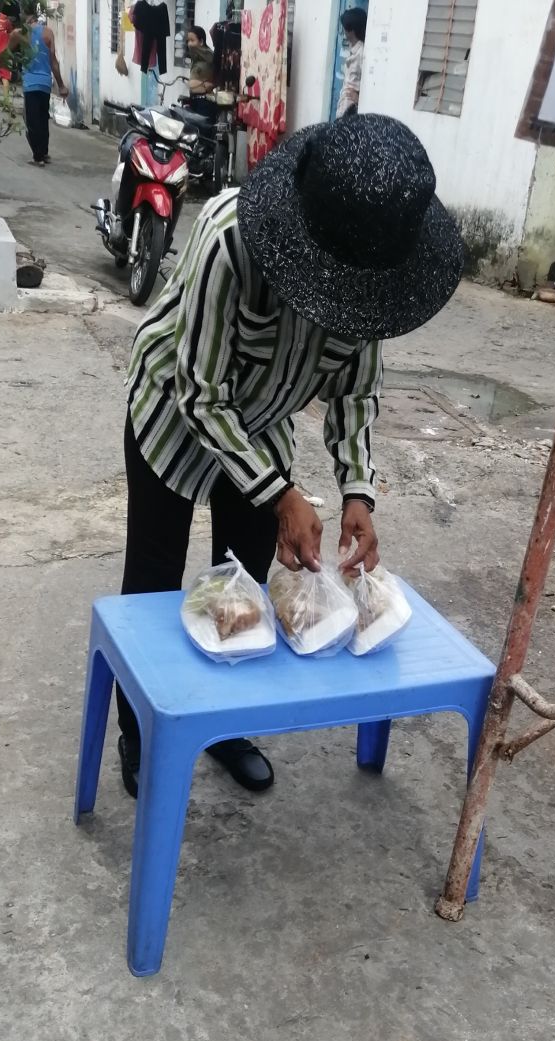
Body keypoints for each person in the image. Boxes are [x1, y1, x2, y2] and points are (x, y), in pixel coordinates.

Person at [117, 113, 463, 797]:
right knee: (153, 586)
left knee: (243, 583)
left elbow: (356, 393)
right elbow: (201, 393)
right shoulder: (229, 239)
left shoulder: (373, 281)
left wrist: (357, 492)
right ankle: (140, 728)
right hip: (175, 406)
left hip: (265, 420)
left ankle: (225, 725)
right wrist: (283, 495)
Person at [13, 4, 67, 165]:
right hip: (45, 84)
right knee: (43, 118)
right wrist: (61, 85)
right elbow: (54, 62)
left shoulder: (20, 33)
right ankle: (44, 153)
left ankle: (38, 157)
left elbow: (7, 52)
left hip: (30, 84)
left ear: (24, 14)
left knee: (32, 121)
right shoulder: (48, 32)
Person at [335, 7, 366, 119]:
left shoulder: (362, 53)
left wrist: (360, 99)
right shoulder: (353, 50)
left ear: (351, 30)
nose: (343, 32)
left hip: (351, 112)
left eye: (344, 29)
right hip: (343, 108)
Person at [187, 25, 216, 95]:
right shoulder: (196, 57)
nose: (189, 44)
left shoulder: (209, 57)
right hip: (195, 96)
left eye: (192, 40)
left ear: (201, 42)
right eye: (188, 41)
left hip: (204, 97)